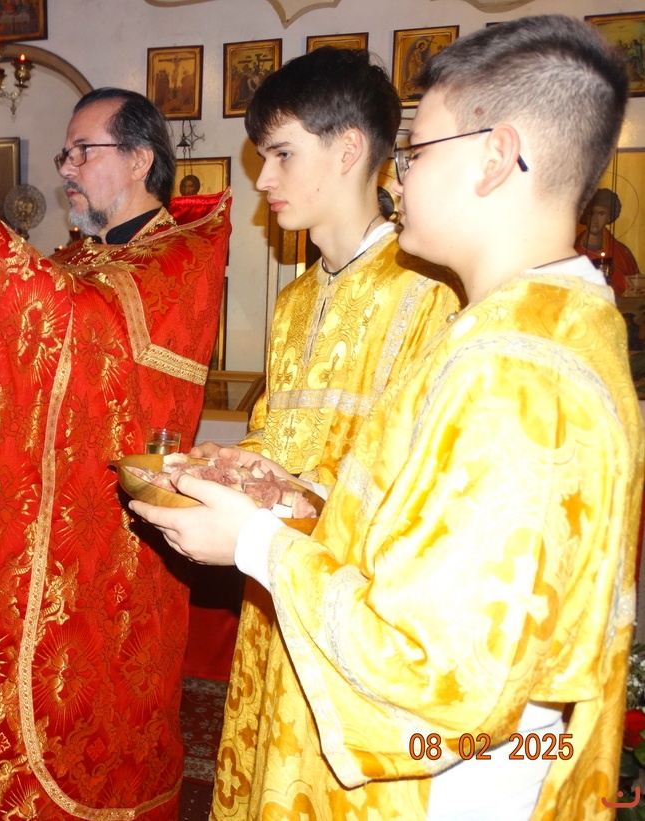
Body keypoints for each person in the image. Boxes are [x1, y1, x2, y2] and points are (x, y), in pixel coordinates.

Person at [133, 15, 642, 819]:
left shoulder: (515, 372)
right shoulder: (542, 329)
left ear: (495, 156)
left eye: (415, 152)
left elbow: (437, 669)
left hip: (449, 780)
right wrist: (269, 483)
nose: (397, 179)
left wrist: (255, 539)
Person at [0, 86, 231, 818]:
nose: (67, 169)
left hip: (111, 548)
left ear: (140, 158)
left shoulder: (182, 253)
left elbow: (79, 325)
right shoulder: (78, 257)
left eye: (84, 151)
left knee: (97, 732)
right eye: (65, 154)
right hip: (33, 533)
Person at [182, 47, 462, 818]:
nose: (261, 179)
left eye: (280, 154)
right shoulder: (295, 300)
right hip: (276, 586)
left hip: (357, 609)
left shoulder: (430, 292)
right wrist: (227, 465)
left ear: (347, 150)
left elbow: (422, 481)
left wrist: (284, 499)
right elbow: (277, 433)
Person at [575, 187, 640, 295]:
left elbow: (635, 289)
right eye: (591, 213)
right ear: (585, 216)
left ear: (609, 218)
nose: (595, 219)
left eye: (601, 214)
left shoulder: (621, 253)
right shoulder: (572, 251)